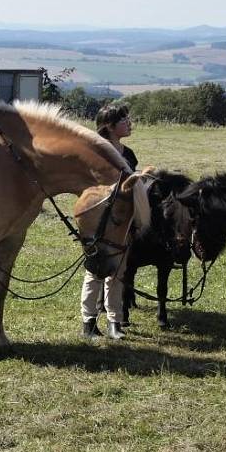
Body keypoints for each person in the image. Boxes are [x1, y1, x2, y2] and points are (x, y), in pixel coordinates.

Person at [80, 104, 137, 339]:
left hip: (122, 222)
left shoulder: (129, 154)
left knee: (118, 271)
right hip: (99, 222)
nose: (129, 123)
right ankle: (89, 322)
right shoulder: (97, 154)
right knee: (94, 271)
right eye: (124, 119)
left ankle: (115, 321)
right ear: (110, 127)